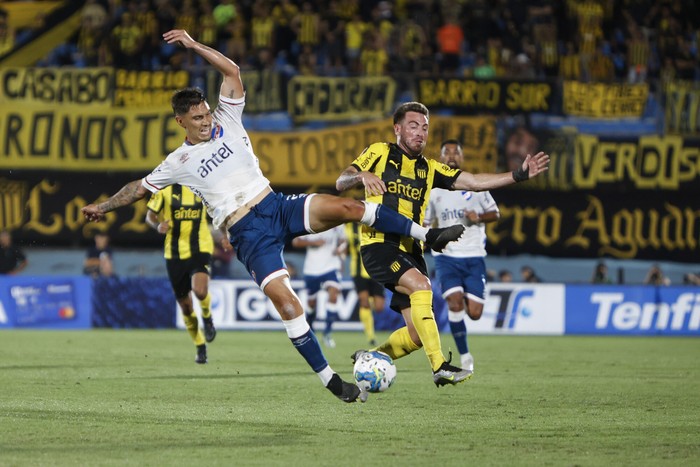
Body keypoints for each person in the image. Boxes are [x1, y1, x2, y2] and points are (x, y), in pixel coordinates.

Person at [81, 29, 464, 404]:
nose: (204, 120)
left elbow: (232, 71)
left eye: (204, 112)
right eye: (196, 118)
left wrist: (194, 45)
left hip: (275, 206)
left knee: (347, 206)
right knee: (288, 305)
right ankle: (332, 382)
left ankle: (426, 235)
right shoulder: (177, 162)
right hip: (248, 233)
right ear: (181, 122)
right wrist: (102, 206)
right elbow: (139, 188)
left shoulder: (227, 119)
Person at [336, 101, 549, 387]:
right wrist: (361, 175)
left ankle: (370, 356)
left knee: (414, 335)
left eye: (425, 128)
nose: (420, 133)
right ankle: (440, 367)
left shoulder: (430, 168)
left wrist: (518, 175)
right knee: (423, 286)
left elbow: (473, 181)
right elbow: (341, 180)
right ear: (397, 128)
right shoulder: (379, 152)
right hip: (379, 244)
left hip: (411, 251)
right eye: (413, 126)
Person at [424, 139, 501, 373]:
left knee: (475, 314)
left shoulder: (476, 185)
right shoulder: (434, 190)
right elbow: (425, 222)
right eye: (446, 153)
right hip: (447, 257)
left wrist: (478, 217)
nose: (451, 157)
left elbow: (495, 213)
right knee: (454, 302)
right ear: (440, 158)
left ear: (462, 157)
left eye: (455, 153)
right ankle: (465, 355)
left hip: (474, 256)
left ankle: (466, 313)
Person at [146, 184, 217, 364]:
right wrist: (157, 225)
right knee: (186, 306)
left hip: (200, 246)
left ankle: (207, 317)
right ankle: (200, 346)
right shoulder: (164, 190)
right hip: (174, 253)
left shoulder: (201, 185)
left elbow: (219, 211)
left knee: (200, 291)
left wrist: (226, 234)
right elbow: (150, 216)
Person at [291, 225, 346, 349]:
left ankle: (327, 333)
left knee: (334, 293)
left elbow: (344, 241)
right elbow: (296, 242)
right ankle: (310, 327)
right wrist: (314, 242)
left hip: (331, 267)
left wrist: (340, 252)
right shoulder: (310, 222)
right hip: (312, 269)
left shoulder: (339, 223)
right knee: (311, 303)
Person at [345, 220, 385, 347]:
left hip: (376, 270)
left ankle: (368, 319)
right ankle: (370, 335)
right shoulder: (349, 227)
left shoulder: (377, 225)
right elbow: (345, 243)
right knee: (364, 301)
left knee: (379, 307)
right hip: (357, 271)